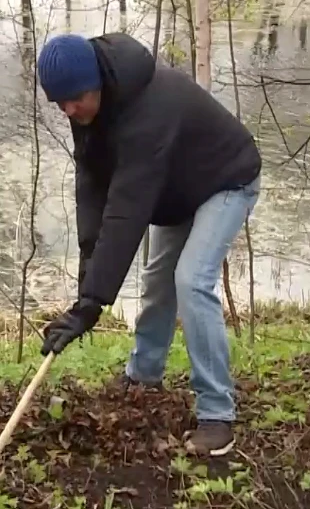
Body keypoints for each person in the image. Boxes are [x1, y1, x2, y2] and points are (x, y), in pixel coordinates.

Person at [36, 32, 262, 457]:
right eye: (59, 103)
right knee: (158, 280)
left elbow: (125, 212)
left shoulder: (148, 111)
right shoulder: (87, 105)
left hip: (227, 179)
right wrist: (86, 287)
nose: (68, 110)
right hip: (178, 192)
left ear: (96, 82)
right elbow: (92, 189)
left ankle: (217, 415)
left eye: (75, 99)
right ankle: (143, 375)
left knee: (191, 281)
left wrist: (92, 305)